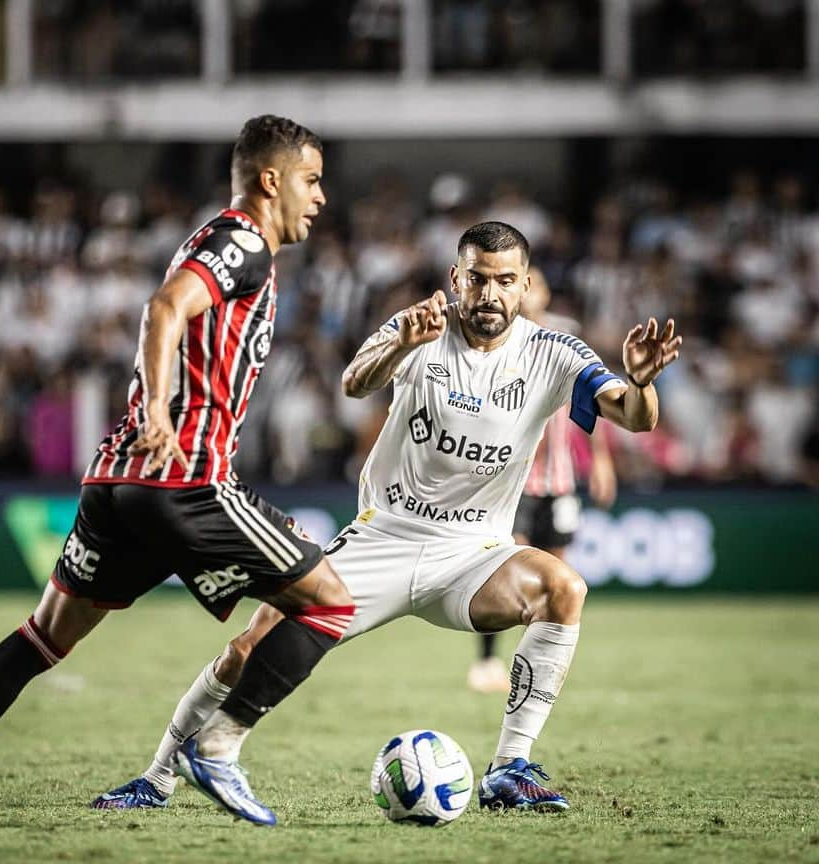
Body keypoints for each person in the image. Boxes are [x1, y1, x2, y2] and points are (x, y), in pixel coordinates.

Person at [95, 221, 682, 813]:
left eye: (505, 281)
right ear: (457, 278)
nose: (489, 294)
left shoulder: (553, 352)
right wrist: (401, 341)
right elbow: (355, 382)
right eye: (477, 279)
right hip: (386, 535)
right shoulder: (423, 326)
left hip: (474, 554)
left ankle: (509, 769)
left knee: (563, 588)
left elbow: (634, 417)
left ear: (525, 285)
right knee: (250, 647)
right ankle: (158, 776)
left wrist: (641, 381)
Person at [0, 115, 355, 828]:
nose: (321, 197)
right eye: (312, 180)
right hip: (186, 479)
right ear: (271, 180)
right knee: (328, 601)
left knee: (44, 635)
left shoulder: (218, 240)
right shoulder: (243, 242)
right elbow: (165, 307)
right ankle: (220, 746)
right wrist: (163, 412)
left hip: (117, 481)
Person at [467, 267, 617, 694]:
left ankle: (534, 665)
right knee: (504, 571)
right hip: (511, 482)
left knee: (556, 575)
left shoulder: (566, 338)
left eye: (536, 284)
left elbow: (596, 399)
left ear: (543, 292)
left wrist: (602, 460)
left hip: (560, 480)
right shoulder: (494, 340)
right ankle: (488, 661)